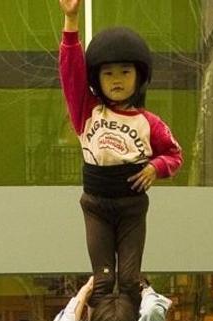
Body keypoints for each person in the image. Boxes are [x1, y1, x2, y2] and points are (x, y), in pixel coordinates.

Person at [58, 0, 183, 305]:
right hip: (96, 205)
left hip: (131, 207)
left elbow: (174, 155)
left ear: (138, 77)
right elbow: (70, 74)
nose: (116, 79)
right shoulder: (86, 111)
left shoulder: (149, 123)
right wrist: (71, 21)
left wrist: (156, 167)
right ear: (97, 79)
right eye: (108, 73)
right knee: (102, 282)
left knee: (128, 281)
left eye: (125, 72)